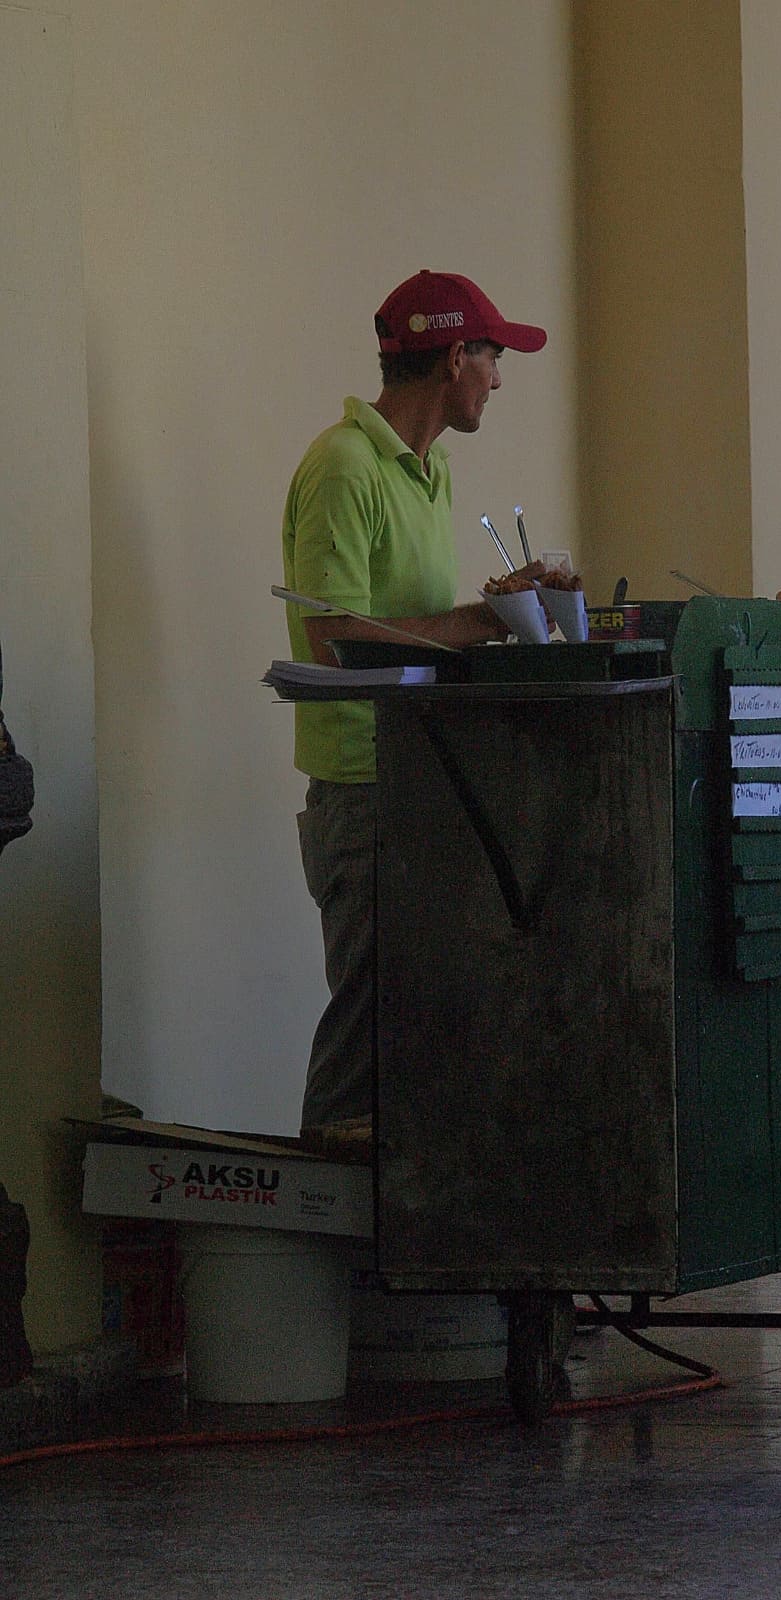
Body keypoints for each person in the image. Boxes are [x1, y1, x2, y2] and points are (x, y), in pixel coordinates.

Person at [282, 268, 547, 1139]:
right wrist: (487, 620)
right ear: (453, 359)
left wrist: (507, 606)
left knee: (420, 1028)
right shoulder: (344, 465)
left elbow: (416, 627)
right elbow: (336, 640)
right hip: (365, 787)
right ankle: (326, 1257)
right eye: (493, 358)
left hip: (424, 779)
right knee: (365, 1030)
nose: (500, 380)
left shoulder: (424, 474)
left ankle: (397, 1263)